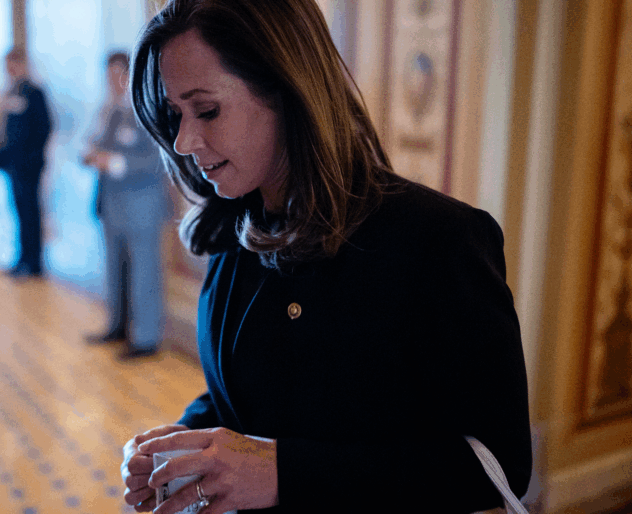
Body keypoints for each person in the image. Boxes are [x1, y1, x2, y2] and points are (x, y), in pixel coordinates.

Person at [120, 1, 532, 513]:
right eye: (173, 115)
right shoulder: (238, 229)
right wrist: (185, 442)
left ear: (285, 87)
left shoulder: (438, 238)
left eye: (206, 110)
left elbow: (499, 466)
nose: (183, 141)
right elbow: (254, 395)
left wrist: (281, 473)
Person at [81, 51, 167, 358]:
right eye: (108, 77)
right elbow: (90, 142)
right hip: (113, 205)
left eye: (118, 76)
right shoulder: (110, 112)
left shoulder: (149, 109)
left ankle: (146, 338)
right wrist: (90, 154)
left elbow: (159, 160)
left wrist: (113, 161)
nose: (113, 83)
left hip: (142, 206)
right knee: (115, 270)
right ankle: (118, 325)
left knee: (144, 273)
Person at [0, 47, 52, 278]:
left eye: (14, 65)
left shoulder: (34, 92)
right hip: (13, 164)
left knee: (30, 211)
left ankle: (34, 261)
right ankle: (22, 257)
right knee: (18, 211)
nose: (10, 70)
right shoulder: (9, 92)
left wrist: (31, 155)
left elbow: (44, 126)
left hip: (29, 164)